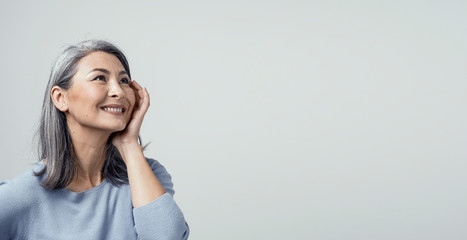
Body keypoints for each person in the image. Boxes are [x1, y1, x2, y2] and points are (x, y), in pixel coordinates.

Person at [0, 40, 190, 239]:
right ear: (60, 98)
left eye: (124, 81)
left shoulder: (148, 176)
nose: (118, 91)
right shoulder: (20, 196)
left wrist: (129, 144)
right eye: (100, 78)